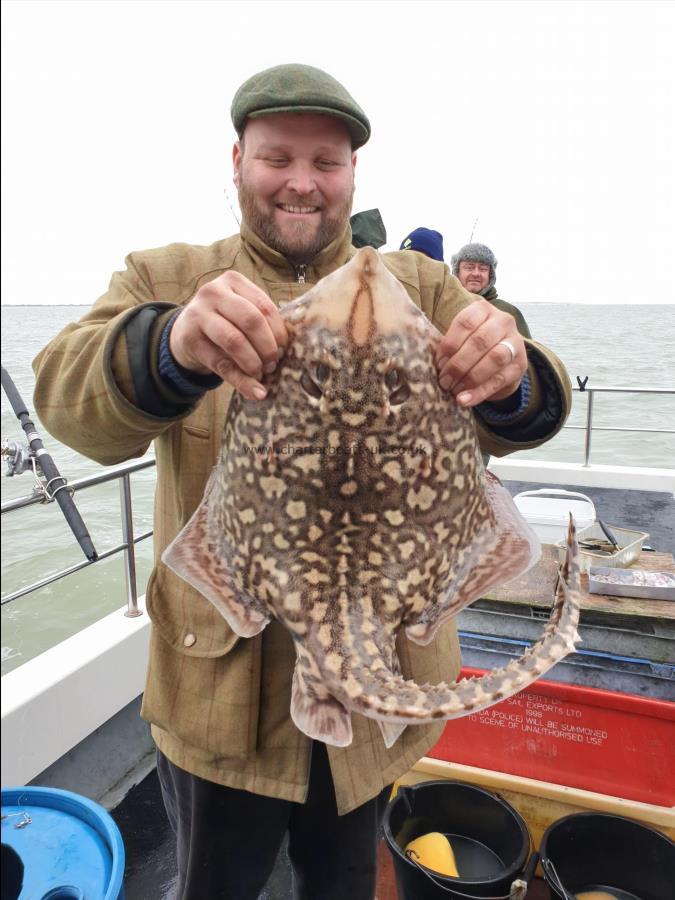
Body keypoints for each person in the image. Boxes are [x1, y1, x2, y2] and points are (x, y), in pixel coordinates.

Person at [32, 63, 571, 900]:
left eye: (326, 163)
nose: (301, 182)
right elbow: (67, 404)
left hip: (375, 708)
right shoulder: (165, 279)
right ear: (238, 161)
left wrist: (512, 373)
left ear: (351, 174)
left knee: (343, 883)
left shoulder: (421, 284)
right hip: (219, 711)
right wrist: (170, 344)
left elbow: (532, 395)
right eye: (277, 157)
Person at [451, 242, 531, 338]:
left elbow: (528, 350)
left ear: (490, 275)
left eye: (483, 269)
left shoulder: (508, 312)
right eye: (469, 267)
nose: (476, 273)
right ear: (457, 272)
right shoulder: (443, 306)